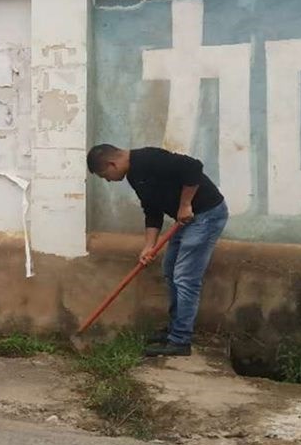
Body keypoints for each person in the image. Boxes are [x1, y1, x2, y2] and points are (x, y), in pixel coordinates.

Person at [86, 144, 228, 357]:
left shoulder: (149, 159)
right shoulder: (134, 175)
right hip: (186, 221)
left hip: (206, 215)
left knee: (185, 277)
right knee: (170, 270)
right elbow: (152, 210)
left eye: (104, 175)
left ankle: (180, 340)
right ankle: (175, 328)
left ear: (112, 164)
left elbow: (193, 167)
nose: (107, 180)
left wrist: (185, 204)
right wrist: (149, 246)